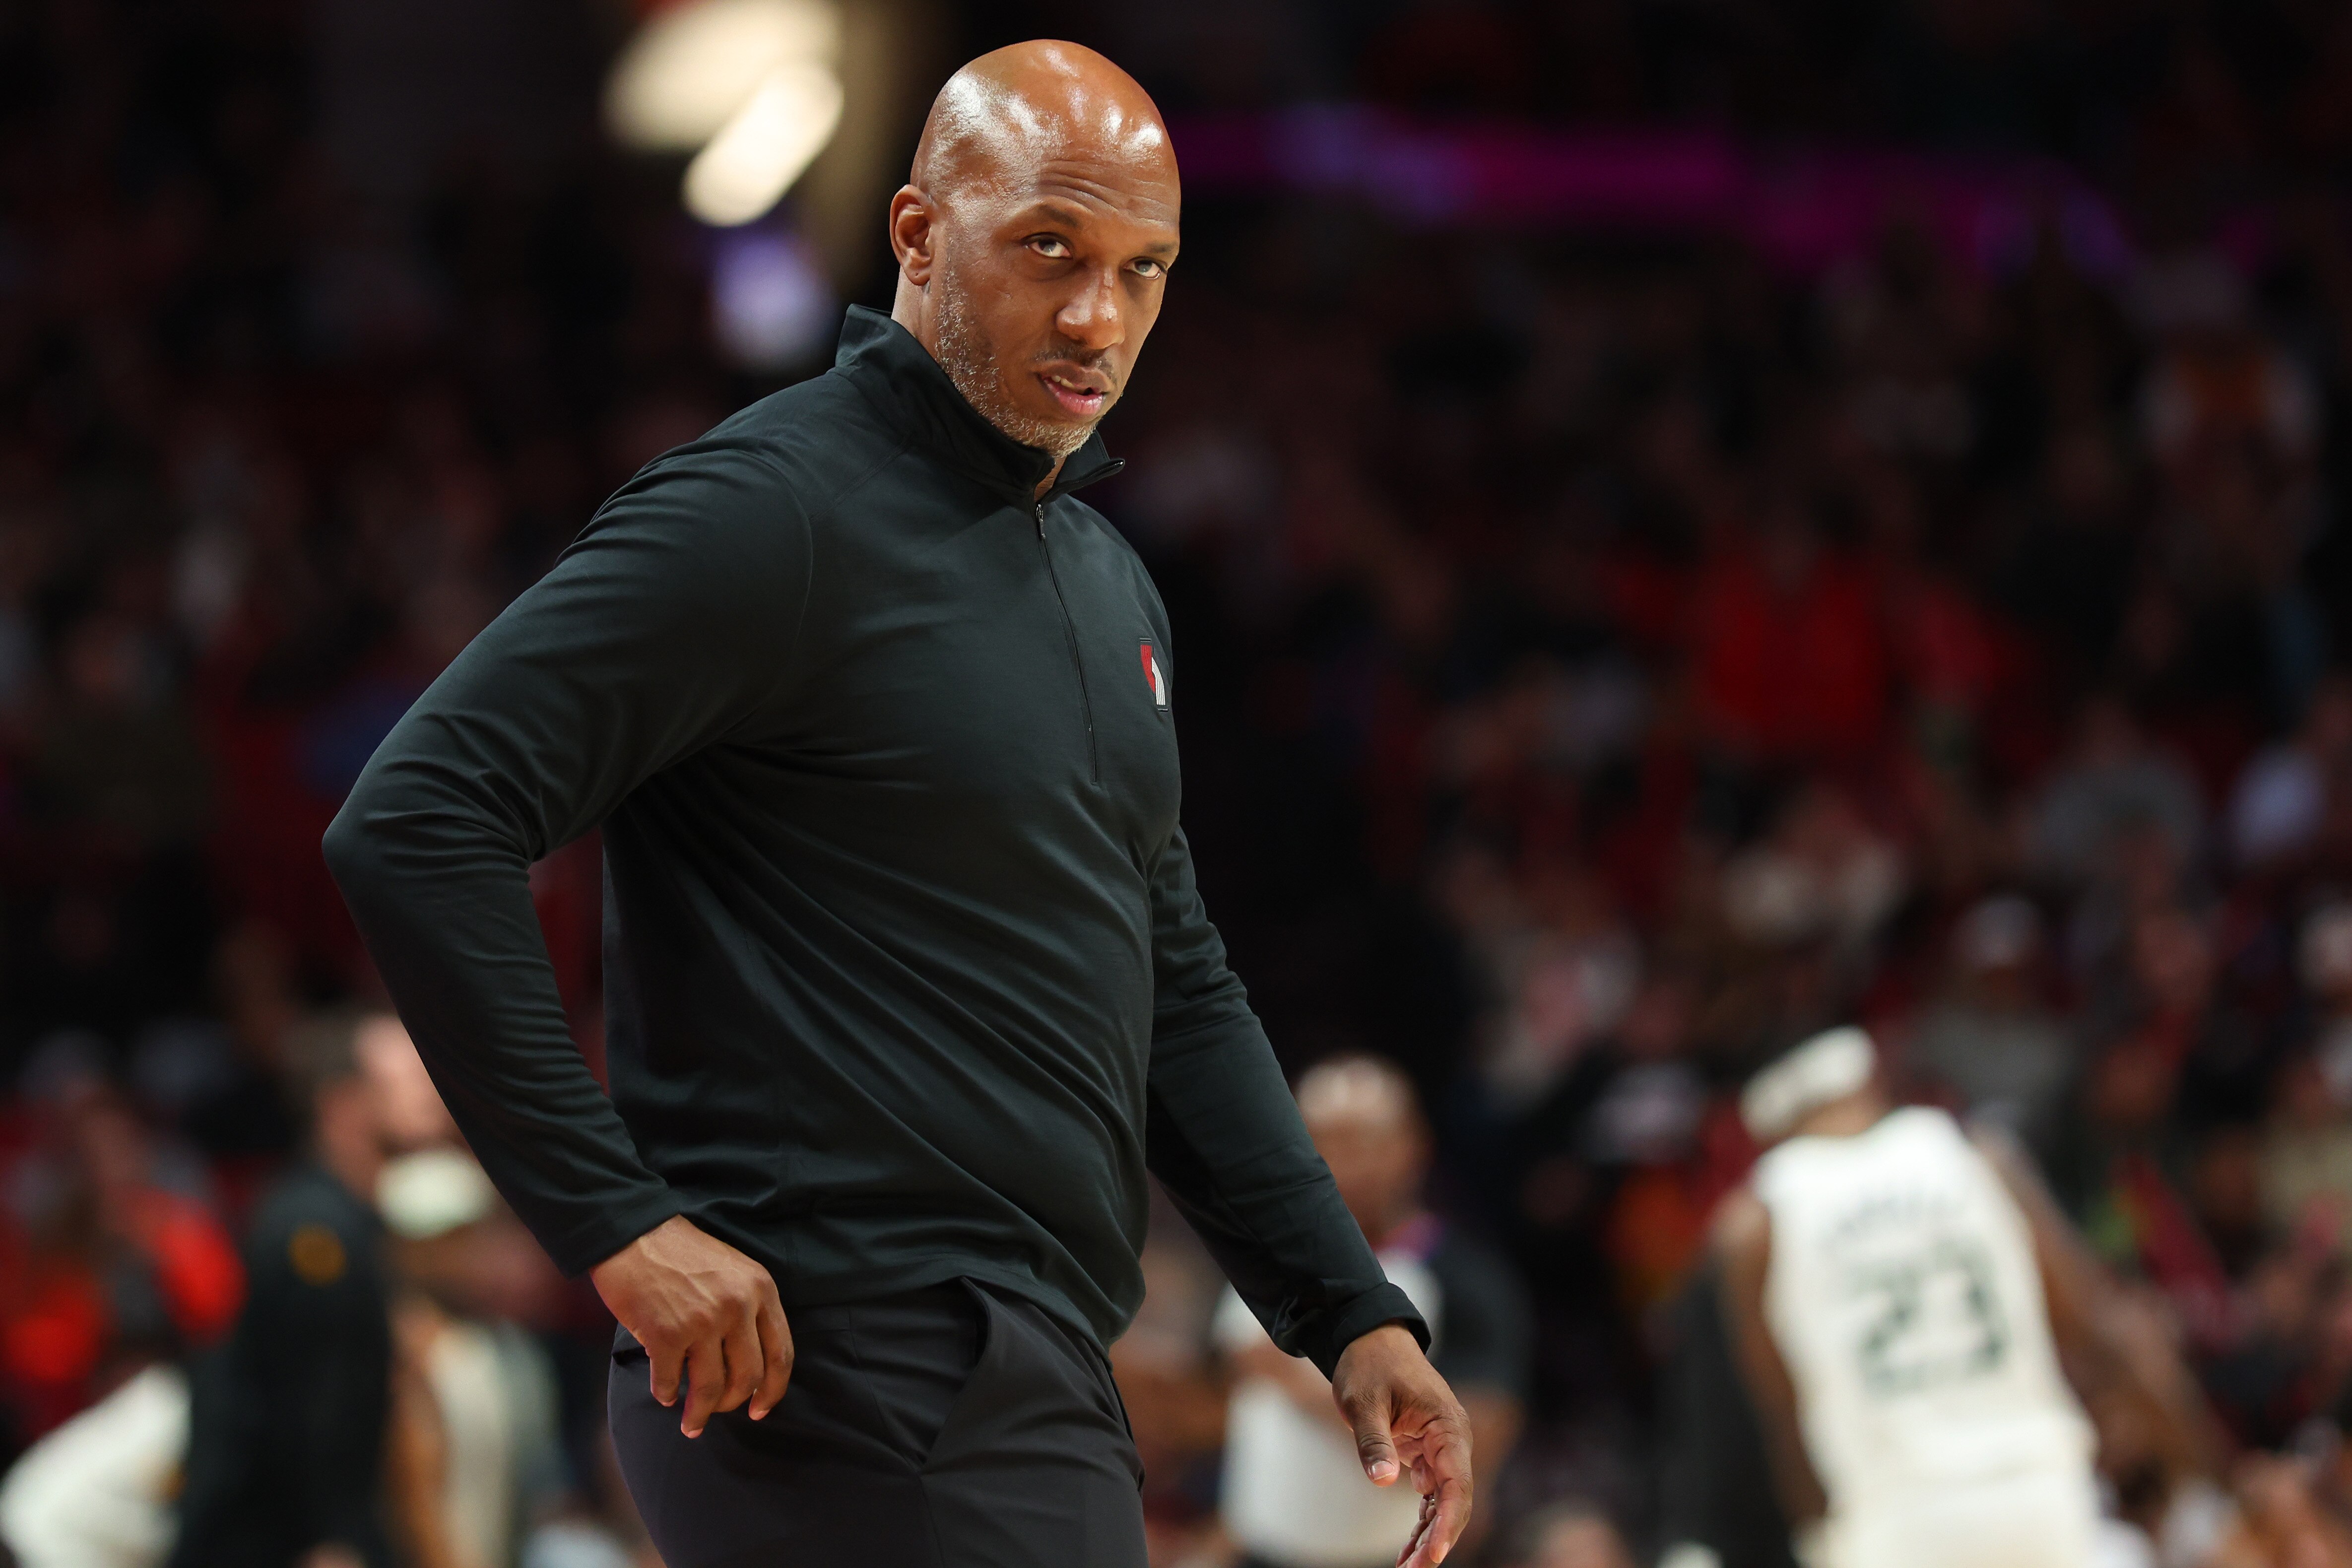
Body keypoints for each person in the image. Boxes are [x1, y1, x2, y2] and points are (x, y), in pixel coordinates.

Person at [322, 39, 1471, 1568]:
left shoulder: (1105, 581)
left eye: (1142, 270)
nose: (1098, 315)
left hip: (1026, 1363)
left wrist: (1346, 1310)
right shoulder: (769, 511)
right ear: (920, 235)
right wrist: (616, 1225)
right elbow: (418, 817)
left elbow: (1174, 984)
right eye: (1049, 249)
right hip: (833, 1364)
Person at [1711, 1026, 2211, 1568]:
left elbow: (1787, 1423)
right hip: (2036, 1488)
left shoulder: (1753, 1228)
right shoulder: (1978, 1157)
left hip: (1896, 1514)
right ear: (1869, 1082)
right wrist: (2209, 1480)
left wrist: (1819, 1537)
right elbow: (2095, 1330)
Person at [1217, 1056, 1529, 1568]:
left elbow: (1472, 1453)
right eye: (1320, 1141)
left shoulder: (1463, 1280)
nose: (1340, 1163)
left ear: (1414, 1146)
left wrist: (1297, 1384)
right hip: (1257, 1553)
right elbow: (1236, 1422)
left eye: (1362, 1143)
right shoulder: (1257, 1263)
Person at [167, 1010, 421, 1568]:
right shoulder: (314, 1233)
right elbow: (311, 1405)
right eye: (406, 1077)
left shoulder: (352, 1220)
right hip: (275, 1543)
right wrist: (331, 1539)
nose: (430, 1089)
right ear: (343, 1103)